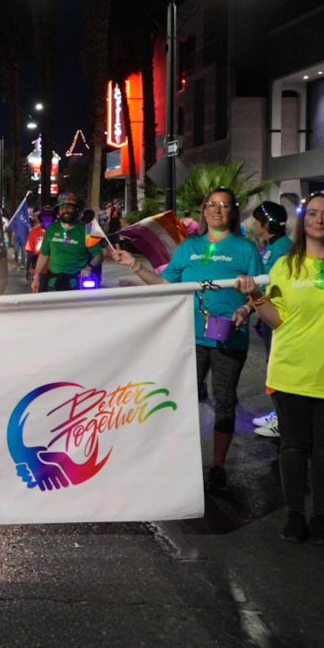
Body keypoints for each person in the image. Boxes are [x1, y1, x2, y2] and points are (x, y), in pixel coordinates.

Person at [235, 191, 324, 546]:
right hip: (290, 371)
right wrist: (256, 296)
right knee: (293, 447)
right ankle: (295, 516)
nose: (319, 220)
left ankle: (321, 518)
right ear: (304, 222)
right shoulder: (285, 265)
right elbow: (277, 322)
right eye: (313, 214)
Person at [108, 187, 263, 490]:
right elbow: (165, 285)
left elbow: (261, 293)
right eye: (212, 205)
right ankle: (177, 461)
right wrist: (134, 265)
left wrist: (246, 309)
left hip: (229, 339)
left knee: (225, 402)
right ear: (204, 211)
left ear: (233, 211)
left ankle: (218, 465)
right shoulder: (189, 247)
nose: (218, 210)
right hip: (188, 337)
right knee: (181, 399)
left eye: (225, 205)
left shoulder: (245, 249)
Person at [248, 200, 293, 436]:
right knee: (272, 365)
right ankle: (279, 413)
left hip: (278, 315)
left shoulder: (283, 248)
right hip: (267, 314)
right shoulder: (272, 246)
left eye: (257, 221)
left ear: (267, 223)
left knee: (277, 366)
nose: (254, 225)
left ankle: (284, 420)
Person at [30, 193, 102, 293]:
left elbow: (98, 254)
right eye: (62, 208)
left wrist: (89, 267)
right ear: (58, 211)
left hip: (77, 280)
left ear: (76, 209)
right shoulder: (51, 229)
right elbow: (43, 255)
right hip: (54, 280)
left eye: (69, 207)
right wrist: (36, 276)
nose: (65, 210)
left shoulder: (87, 229)